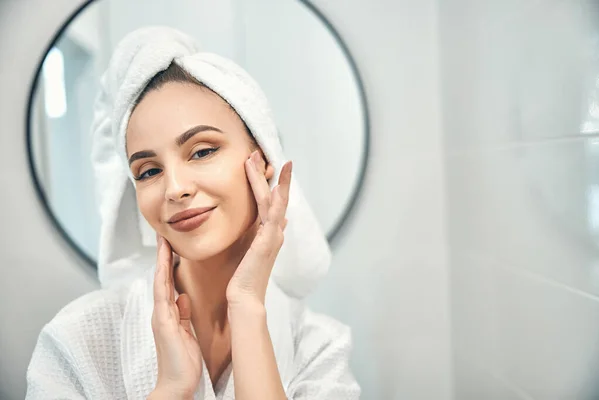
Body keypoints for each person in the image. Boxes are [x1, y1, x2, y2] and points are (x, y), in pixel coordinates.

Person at [25, 27, 360, 399]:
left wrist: (247, 309)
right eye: (149, 171)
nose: (174, 188)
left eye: (202, 151)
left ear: (263, 159)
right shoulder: (75, 343)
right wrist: (171, 389)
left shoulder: (319, 349)